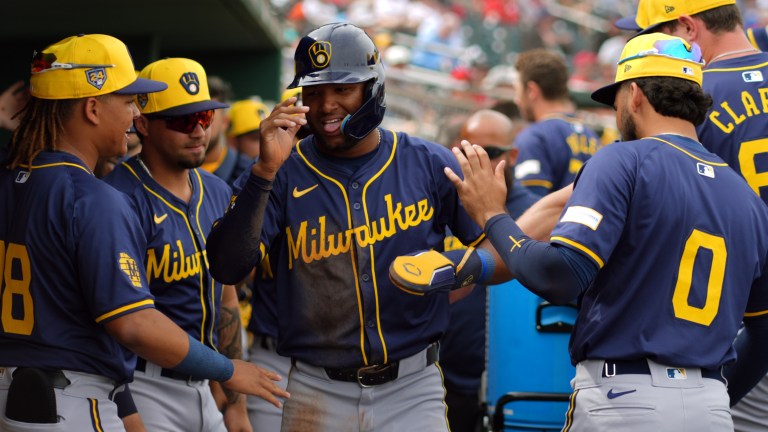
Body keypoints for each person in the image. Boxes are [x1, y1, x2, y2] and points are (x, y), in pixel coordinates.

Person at [391, 33, 768, 431]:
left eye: (618, 96)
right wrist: (714, 400)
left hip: (627, 398)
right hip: (711, 407)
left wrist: (492, 216)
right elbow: (762, 333)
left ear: (635, 93)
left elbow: (557, 276)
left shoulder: (624, 160)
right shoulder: (744, 194)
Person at [206, 22, 501, 431]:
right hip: (315, 388)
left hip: (412, 385)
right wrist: (264, 171)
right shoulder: (281, 171)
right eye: (314, 92)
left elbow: (503, 249)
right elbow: (227, 267)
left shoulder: (428, 162)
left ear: (372, 88)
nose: (326, 105)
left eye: (342, 89)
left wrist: (460, 267)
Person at [0, 33, 288, 432]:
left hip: (23, 390)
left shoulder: (13, 180)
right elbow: (133, 324)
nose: (135, 114)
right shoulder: (97, 197)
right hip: (73, 396)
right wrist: (226, 369)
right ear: (93, 108)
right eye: (127, 100)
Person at [612, 2, 768, 429]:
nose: (651, 46)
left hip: (734, 324)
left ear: (687, 26)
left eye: (658, 33)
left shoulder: (688, 95)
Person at [105, 57, 251, 432]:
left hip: (205, 387)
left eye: (204, 117)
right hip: (142, 384)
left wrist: (235, 407)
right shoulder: (118, 195)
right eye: (183, 121)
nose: (199, 131)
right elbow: (114, 321)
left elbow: (226, 299)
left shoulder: (217, 191)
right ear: (143, 124)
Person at [439, 109, 539, 432]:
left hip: (513, 381)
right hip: (445, 378)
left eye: (490, 153)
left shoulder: (538, 211)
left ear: (512, 155)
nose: (478, 161)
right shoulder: (443, 201)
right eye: (469, 150)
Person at [512, 48, 601, 197]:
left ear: (531, 90)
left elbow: (529, 206)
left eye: (517, 91)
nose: (516, 100)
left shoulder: (533, 137)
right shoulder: (591, 134)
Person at [201, 76, 252, 186]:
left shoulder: (248, 173)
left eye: (206, 115)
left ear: (225, 122)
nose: (198, 124)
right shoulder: (173, 169)